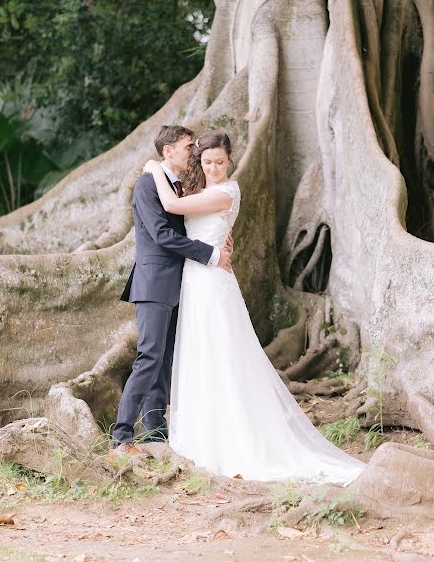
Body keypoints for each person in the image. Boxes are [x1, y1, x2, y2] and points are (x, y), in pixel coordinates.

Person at [141, 130, 364, 485]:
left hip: (213, 284)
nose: (213, 168)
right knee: (198, 354)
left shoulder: (228, 191)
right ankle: (199, 437)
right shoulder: (202, 191)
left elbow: (172, 207)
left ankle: (235, 440)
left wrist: (153, 169)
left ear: (230, 161)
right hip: (195, 280)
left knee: (223, 355)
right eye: (206, 161)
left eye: (219, 161)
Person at [110, 125, 233, 458]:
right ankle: (120, 438)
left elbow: (190, 222)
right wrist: (211, 254)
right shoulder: (148, 184)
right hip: (154, 283)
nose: (192, 152)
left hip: (182, 284)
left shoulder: (179, 186)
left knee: (164, 361)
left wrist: (217, 240)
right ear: (167, 151)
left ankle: (155, 433)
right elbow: (163, 235)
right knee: (149, 357)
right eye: (187, 146)